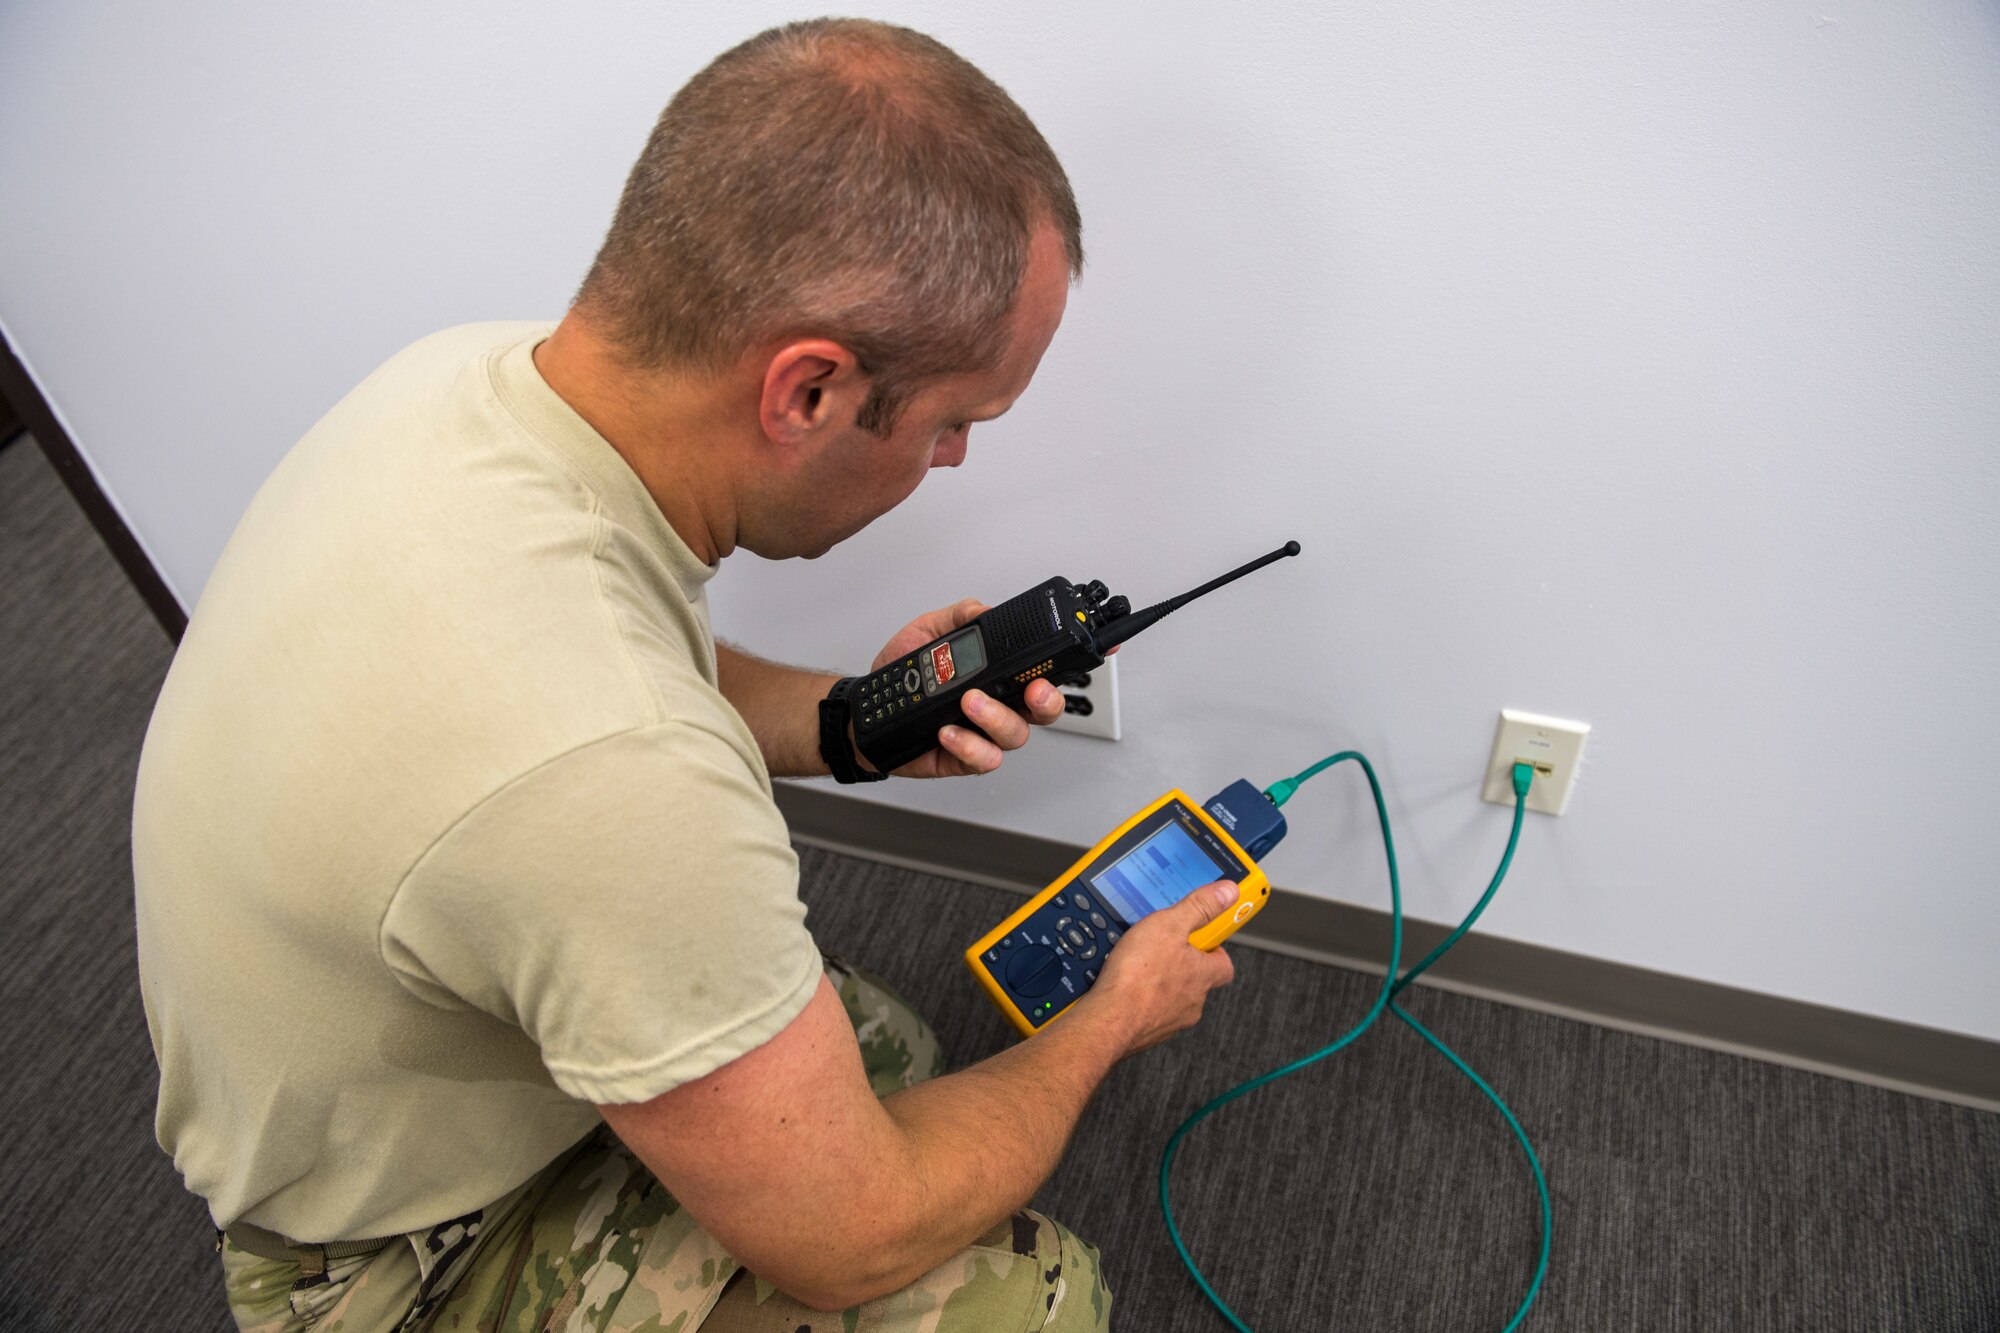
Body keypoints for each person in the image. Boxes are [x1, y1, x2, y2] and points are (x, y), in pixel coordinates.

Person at [132, 18, 1238, 1332]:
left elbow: (634, 665)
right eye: (953, 421)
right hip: (390, 1247)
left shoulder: (471, 384)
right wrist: (1108, 1022)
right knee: (1030, 1295)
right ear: (811, 390)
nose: (952, 463)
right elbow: (853, 1237)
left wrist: (851, 725)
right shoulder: (617, 780)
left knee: (892, 1050)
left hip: (418, 1031)